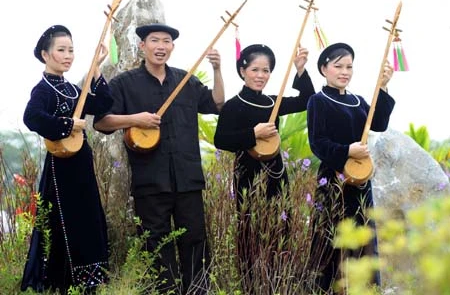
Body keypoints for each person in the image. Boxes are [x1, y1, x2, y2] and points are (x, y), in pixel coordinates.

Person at [93, 23, 224, 294]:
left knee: (196, 240)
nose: (161, 46)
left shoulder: (185, 80)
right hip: (150, 181)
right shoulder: (124, 83)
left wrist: (217, 69)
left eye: (166, 41)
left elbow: (217, 104)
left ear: (172, 47)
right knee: (156, 244)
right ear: (143, 46)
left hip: (188, 178)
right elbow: (102, 122)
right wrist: (135, 119)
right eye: (155, 41)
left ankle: (198, 290)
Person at [213, 43, 315, 292]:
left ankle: (277, 284)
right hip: (248, 178)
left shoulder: (274, 101)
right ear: (242, 70)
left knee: (282, 229)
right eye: (255, 69)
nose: (261, 76)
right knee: (250, 232)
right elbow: (221, 140)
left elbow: (306, 100)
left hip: (277, 176)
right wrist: (253, 133)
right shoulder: (233, 105)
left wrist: (300, 70)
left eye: (266, 71)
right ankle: (250, 286)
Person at [21, 25, 112, 294]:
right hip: (60, 169)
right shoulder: (44, 89)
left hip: (81, 164)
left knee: (88, 219)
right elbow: (32, 117)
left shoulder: (73, 89)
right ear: (45, 55)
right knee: (65, 221)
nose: (68, 55)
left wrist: (96, 69)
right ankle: (63, 282)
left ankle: (90, 281)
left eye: (71, 50)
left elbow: (103, 104)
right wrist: (66, 124)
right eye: (61, 50)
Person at [306, 42, 395, 294]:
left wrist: (384, 86)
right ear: (324, 69)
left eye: (349, 67)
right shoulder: (318, 101)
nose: (344, 71)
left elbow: (378, 124)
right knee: (332, 237)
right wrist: (346, 151)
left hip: (361, 181)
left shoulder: (358, 101)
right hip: (333, 181)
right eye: (338, 66)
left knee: (363, 236)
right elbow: (317, 143)